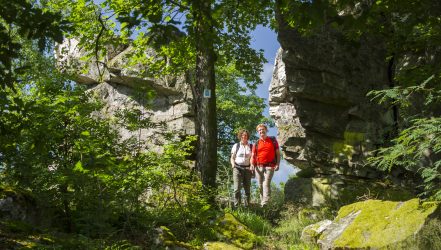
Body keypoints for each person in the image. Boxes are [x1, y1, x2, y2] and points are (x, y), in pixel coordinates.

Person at [251, 124, 281, 207]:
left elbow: (278, 154)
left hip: (270, 166)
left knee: (266, 184)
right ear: (258, 132)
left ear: (266, 130)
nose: (261, 131)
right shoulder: (256, 143)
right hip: (258, 166)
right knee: (260, 185)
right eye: (259, 130)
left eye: (262, 129)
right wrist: (252, 164)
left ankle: (266, 202)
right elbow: (253, 155)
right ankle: (262, 203)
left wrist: (278, 164)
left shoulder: (273, 140)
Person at [230, 129, 253, 208]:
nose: (244, 136)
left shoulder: (251, 146)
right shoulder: (236, 146)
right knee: (237, 189)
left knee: (247, 190)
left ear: (248, 137)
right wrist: (233, 165)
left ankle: (247, 207)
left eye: (246, 135)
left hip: (247, 169)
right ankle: (237, 207)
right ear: (240, 136)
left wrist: (252, 166)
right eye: (242, 135)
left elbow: (252, 158)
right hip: (237, 168)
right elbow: (232, 158)